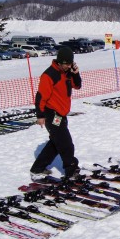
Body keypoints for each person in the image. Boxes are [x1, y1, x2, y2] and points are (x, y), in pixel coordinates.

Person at [30, 46, 82, 180]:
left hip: (62, 113)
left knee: (55, 144)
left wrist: (75, 73)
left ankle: (37, 168)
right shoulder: (49, 75)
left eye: (69, 64)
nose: (66, 66)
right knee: (66, 144)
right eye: (64, 64)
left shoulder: (68, 72)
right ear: (58, 62)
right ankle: (71, 170)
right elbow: (41, 96)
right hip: (51, 113)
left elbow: (77, 86)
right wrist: (40, 116)